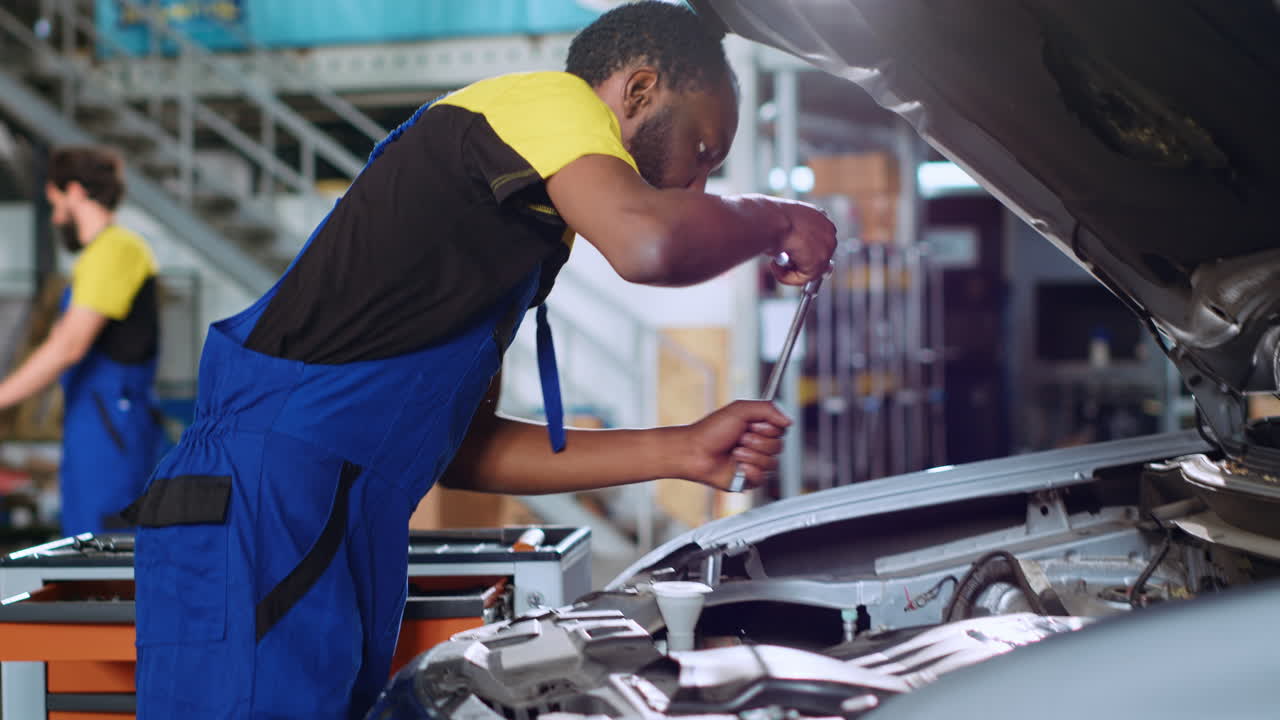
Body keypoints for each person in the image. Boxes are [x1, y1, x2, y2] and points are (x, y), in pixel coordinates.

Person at [124, 2, 837, 717]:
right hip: (263, 505)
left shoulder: (509, 226)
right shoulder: (546, 102)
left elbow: (463, 451)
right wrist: (777, 218)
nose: (698, 188)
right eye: (704, 152)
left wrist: (681, 449)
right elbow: (648, 244)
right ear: (639, 91)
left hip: (323, 514)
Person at [0, 145, 164, 536]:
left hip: (112, 423)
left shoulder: (117, 249)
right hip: (93, 420)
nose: (56, 218)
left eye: (56, 204)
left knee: (106, 548)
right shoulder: (96, 257)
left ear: (74, 192)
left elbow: (67, 346)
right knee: (83, 542)